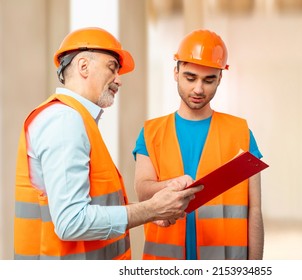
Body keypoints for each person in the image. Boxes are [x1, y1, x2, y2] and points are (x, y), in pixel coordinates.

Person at [14, 27, 202, 260]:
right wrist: (151, 209)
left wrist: (152, 213)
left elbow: (90, 205)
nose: (118, 80)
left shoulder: (75, 119)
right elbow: (71, 222)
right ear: (83, 66)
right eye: (112, 68)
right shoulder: (65, 120)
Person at [133, 29, 264, 260]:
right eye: (190, 77)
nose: (198, 89)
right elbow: (143, 191)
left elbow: (255, 211)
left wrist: (254, 269)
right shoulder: (151, 132)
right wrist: (172, 186)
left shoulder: (241, 133)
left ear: (220, 79)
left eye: (209, 80)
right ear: (176, 72)